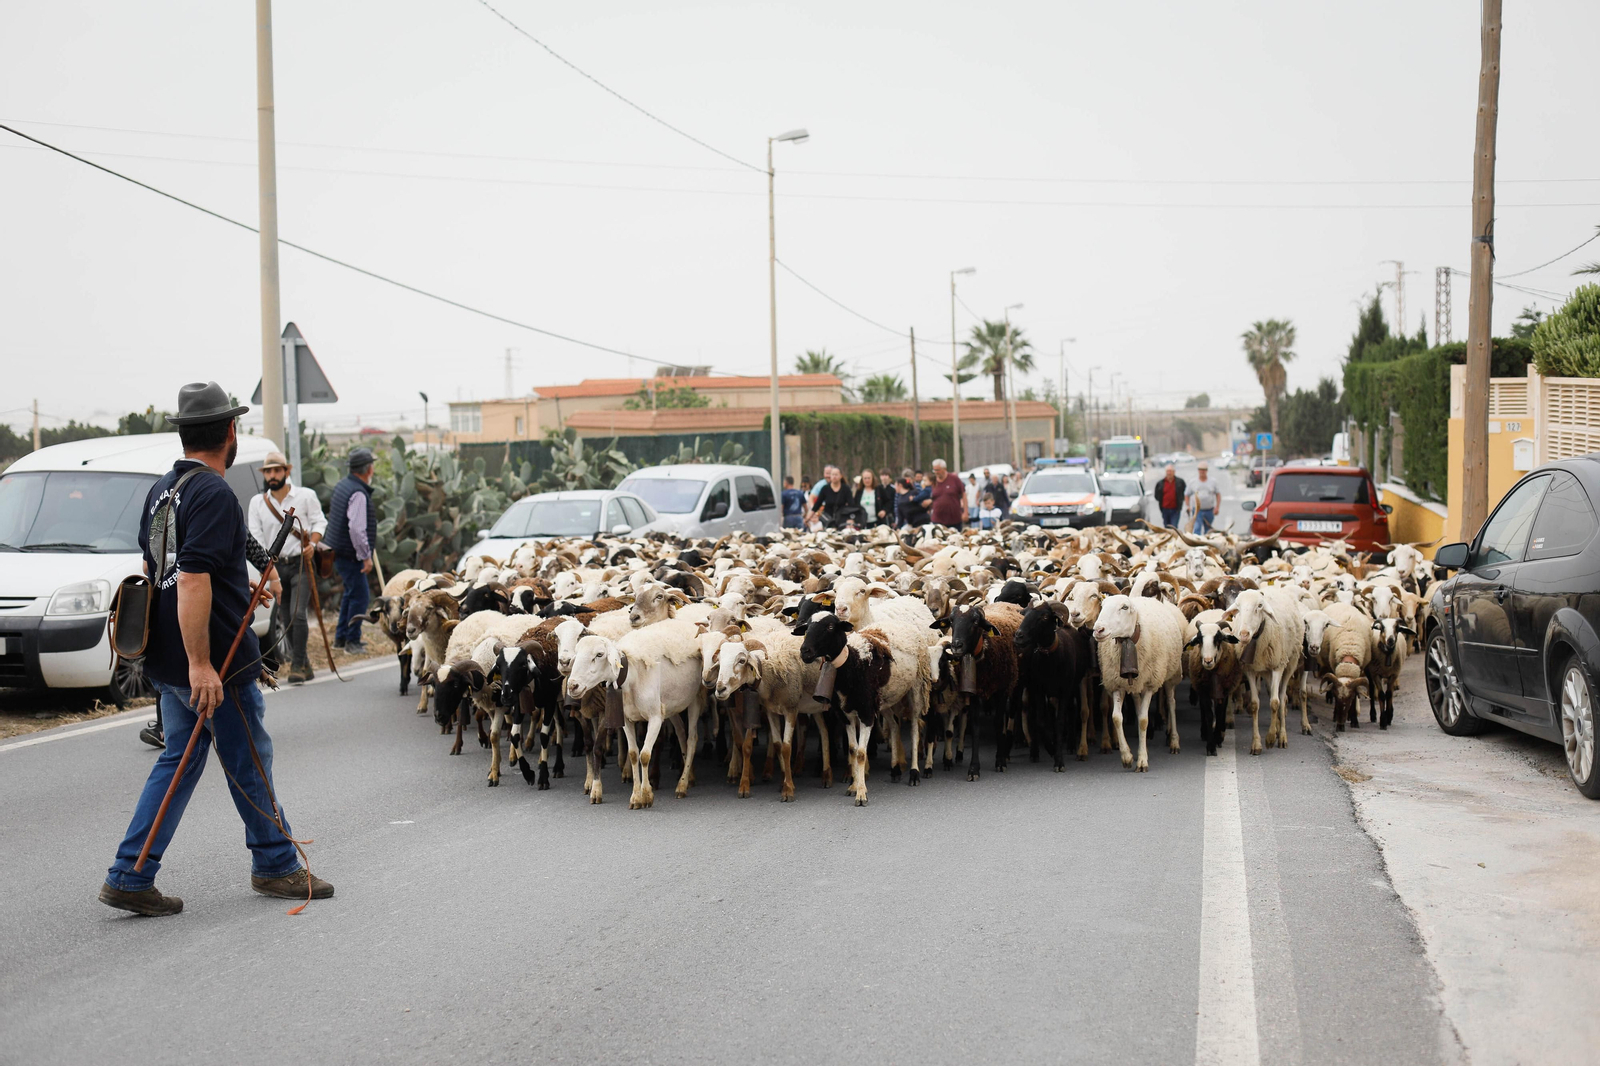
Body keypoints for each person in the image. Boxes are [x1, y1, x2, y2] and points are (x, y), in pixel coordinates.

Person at [101, 381, 333, 917]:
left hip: (170, 661)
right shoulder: (214, 493)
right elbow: (191, 579)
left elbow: (154, 571)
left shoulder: (164, 490)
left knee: (179, 762)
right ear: (230, 432)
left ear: (184, 434)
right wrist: (202, 663)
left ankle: (130, 874)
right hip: (214, 666)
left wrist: (241, 588)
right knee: (250, 758)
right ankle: (276, 865)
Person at [247, 450, 328, 684]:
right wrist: (267, 568)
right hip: (275, 567)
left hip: (300, 563)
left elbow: (319, 521)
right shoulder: (257, 503)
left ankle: (298, 664)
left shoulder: (305, 496)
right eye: (268, 471)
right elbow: (256, 537)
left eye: (276, 470)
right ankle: (305, 663)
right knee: (284, 616)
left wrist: (312, 543)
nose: (272, 475)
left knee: (298, 614)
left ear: (286, 472)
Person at [325, 447, 377, 651]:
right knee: (361, 596)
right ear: (369, 469)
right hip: (351, 553)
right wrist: (365, 556)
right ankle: (352, 641)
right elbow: (356, 528)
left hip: (339, 550)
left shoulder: (343, 485)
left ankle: (341, 637)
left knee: (350, 593)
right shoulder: (358, 493)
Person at [925, 458, 966, 527]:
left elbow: (963, 494)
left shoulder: (954, 479)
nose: (936, 472)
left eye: (938, 470)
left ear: (944, 469)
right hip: (937, 520)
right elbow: (927, 495)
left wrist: (965, 512)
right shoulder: (933, 481)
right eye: (934, 470)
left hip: (954, 520)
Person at [1187, 461, 1221, 534]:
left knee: (1208, 529)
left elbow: (1218, 494)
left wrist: (1217, 507)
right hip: (1197, 510)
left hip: (1209, 509)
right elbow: (1187, 494)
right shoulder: (1193, 482)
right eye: (1200, 469)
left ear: (1206, 471)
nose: (1202, 471)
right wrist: (1188, 506)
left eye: (1204, 470)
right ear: (1198, 470)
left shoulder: (1213, 481)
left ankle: (1206, 543)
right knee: (1197, 527)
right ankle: (1197, 543)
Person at [1154, 462, 1188, 528]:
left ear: (1174, 472)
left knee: (1174, 527)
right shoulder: (1161, 483)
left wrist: (1181, 500)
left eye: (1170, 471)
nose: (1169, 473)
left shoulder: (1180, 482)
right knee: (1166, 527)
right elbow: (1157, 495)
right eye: (1167, 471)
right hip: (1165, 509)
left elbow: (1185, 492)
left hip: (1175, 509)